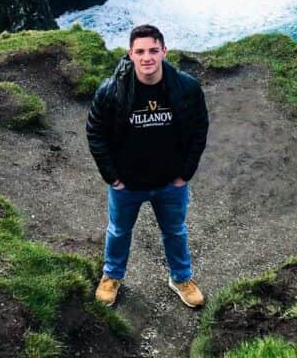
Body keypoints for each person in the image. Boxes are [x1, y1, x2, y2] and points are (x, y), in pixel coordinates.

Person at [86, 24, 209, 309]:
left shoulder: (186, 87)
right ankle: (111, 276)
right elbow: (95, 132)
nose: (147, 58)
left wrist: (184, 174)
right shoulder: (111, 90)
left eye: (153, 50)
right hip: (127, 184)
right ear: (130, 54)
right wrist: (113, 178)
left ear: (164, 51)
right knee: (118, 231)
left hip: (170, 183)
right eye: (139, 51)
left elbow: (199, 129)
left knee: (175, 231)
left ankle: (181, 278)